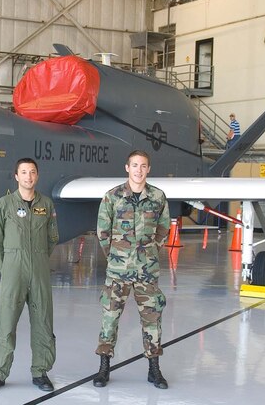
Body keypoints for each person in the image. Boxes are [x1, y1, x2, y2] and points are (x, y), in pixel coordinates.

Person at [92, 150, 171, 389]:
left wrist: (148, 253)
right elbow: (102, 233)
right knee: (110, 316)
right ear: (127, 168)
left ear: (148, 169)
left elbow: (163, 229)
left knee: (152, 318)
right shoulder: (113, 196)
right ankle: (104, 367)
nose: (138, 170)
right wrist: (117, 256)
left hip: (147, 271)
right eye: (134, 165)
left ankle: (154, 369)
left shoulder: (158, 197)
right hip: (118, 271)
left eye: (143, 166)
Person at [0, 158, 59, 393]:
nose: (28, 176)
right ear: (16, 176)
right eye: (23, 172)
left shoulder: (46, 204)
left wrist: (39, 258)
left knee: (43, 321)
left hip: (39, 269)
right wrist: (4, 267)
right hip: (12, 270)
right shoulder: (4, 204)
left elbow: (52, 237)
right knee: (6, 321)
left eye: (32, 172)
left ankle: (40, 371)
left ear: (37, 176)